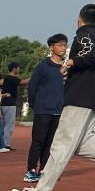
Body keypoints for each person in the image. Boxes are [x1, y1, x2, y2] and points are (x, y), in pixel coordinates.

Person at [10, 3, 95, 191]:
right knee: (82, 142)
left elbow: (90, 55)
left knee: (60, 144)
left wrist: (70, 63)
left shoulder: (84, 35)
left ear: (79, 19)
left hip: (79, 96)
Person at [24, 33, 68, 182]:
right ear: (51, 47)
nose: (63, 48)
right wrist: (34, 104)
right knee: (38, 141)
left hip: (58, 111)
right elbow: (32, 86)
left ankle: (44, 170)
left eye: (65, 45)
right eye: (60, 45)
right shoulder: (43, 66)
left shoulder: (66, 68)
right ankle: (31, 170)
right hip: (43, 110)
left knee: (51, 143)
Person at [0, 62, 28, 150]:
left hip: (3, 104)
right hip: (10, 104)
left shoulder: (5, 78)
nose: (19, 69)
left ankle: (0, 143)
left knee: (3, 125)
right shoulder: (12, 78)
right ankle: (6, 144)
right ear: (14, 69)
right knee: (9, 125)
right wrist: (36, 76)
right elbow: (24, 82)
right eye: (18, 68)